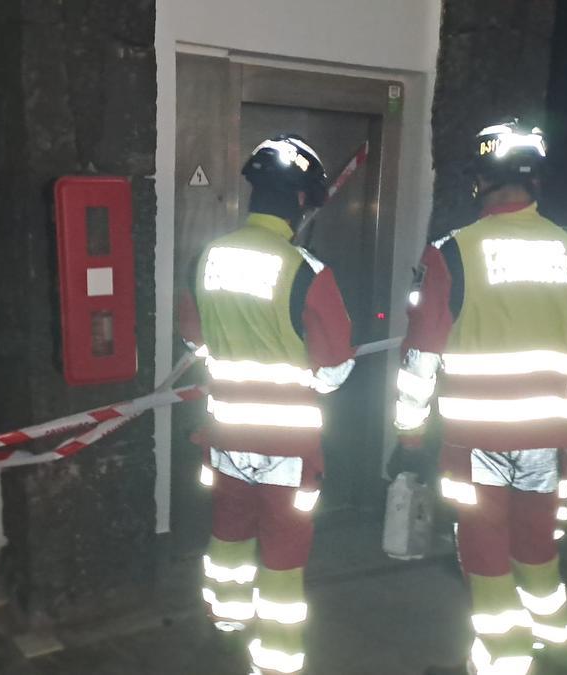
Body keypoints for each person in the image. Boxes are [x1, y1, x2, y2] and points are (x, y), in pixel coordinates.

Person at [393, 120, 567, 675]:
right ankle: (556, 643)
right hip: (545, 438)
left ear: (481, 181)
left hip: (476, 443)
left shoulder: (453, 251)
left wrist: (409, 432)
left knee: (484, 550)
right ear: (535, 180)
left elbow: (423, 353)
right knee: (537, 543)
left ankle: (506, 661)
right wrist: (566, 406)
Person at [178, 134, 356, 675]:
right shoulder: (308, 271)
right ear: (303, 200)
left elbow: (196, 342)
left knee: (229, 531)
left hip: (227, 436)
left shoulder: (209, 257)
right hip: (288, 449)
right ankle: (275, 662)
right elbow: (333, 373)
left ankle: (225, 626)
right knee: (283, 551)